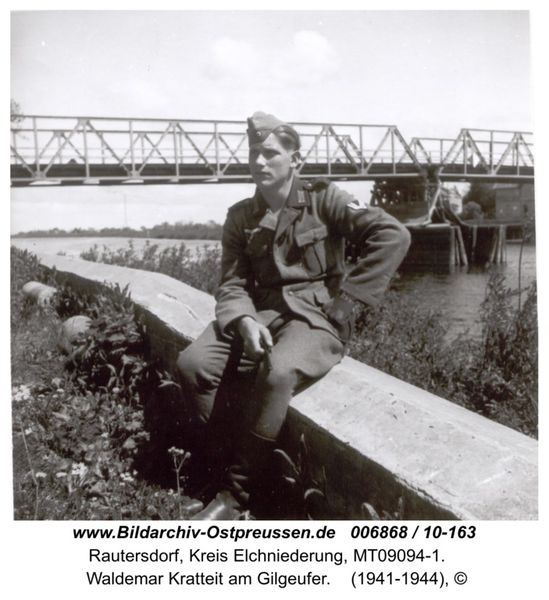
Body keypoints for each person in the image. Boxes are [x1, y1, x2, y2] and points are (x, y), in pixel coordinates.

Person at [176, 111, 411, 520]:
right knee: (193, 365)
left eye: (270, 153)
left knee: (278, 372)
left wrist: (349, 300)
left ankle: (236, 495)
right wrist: (244, 321)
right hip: (260, 314)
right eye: (254, 152)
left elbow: (393, 235)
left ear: (295, 160)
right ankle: (223, 466)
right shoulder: (240, 217)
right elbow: (232, 284)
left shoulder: (325, 199)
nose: (259, 161)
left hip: (315, 317)